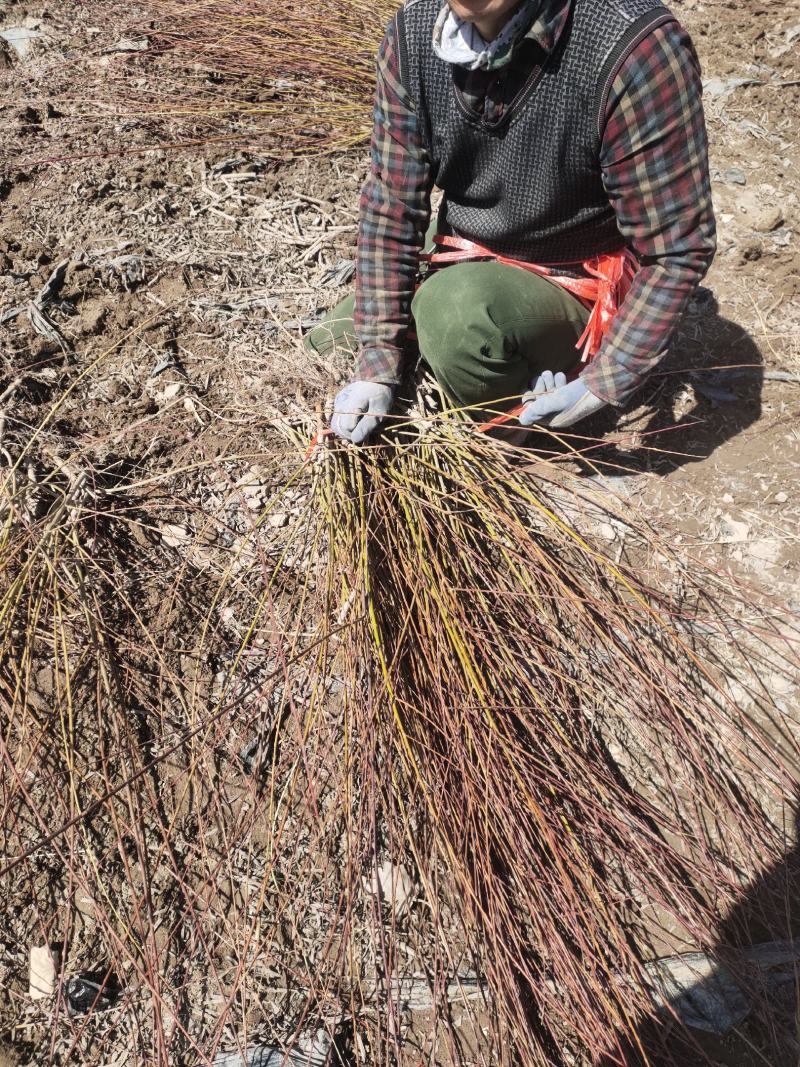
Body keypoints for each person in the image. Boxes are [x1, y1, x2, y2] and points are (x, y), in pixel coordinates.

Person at [306, 0, 716, 444]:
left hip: (576, 277)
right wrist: (377, 366)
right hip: (469, 242)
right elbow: (392, 209)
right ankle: (468, 362)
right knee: (330, 342)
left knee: (455, 314)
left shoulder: (633, 48)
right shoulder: (413, 33)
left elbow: (677, 247)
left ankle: (507, 430)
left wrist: (607, 378)